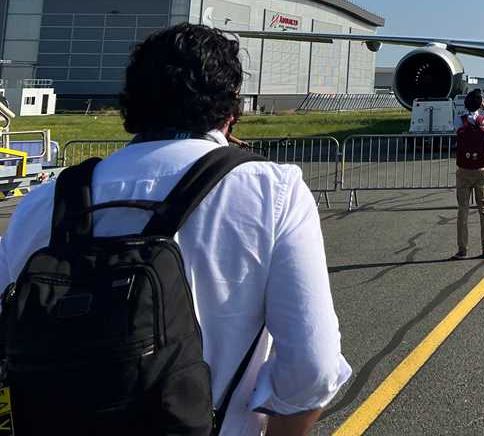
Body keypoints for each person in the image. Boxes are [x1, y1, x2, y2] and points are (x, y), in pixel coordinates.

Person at [0, 23, 350, 436]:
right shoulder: (271, 191)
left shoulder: (46, 200)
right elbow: (313, 368)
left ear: (132, 102)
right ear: (231, 106)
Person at [454, 88, 484, 260]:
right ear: (480, 103)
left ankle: (462, 249)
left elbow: (454, 128)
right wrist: (483, 108)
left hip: (464, 169)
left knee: (463, 209)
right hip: (481, 168)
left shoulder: (459, 120)